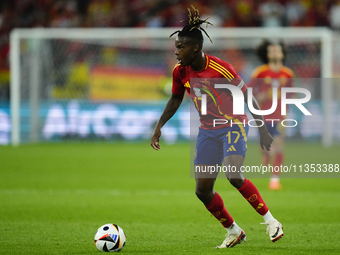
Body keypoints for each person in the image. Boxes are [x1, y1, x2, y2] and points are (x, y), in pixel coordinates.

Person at [150, 6, 283, 249]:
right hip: (207, 132)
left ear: (195, 48)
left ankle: (271, 220)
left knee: (233, 174)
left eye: (180, 47)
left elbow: (247, 96)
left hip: (233, 125)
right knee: (202, 191)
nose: (176, 51)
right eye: (176, 46)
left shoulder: (221, 68)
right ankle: (234, 230)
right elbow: (175, 98)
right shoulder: (180, 72)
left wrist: (262, 130)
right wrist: (159, 126)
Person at [248, 39, 294, 190]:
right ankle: (266, 154)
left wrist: (286, 109)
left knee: (279, 145)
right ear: (267, 54)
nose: (274, 52)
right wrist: (259, 96)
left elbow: (291, 94)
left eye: (277, 50)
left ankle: (275, 180)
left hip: (280, 116)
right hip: (263, 115)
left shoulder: (287, 74)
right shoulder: (260, 72)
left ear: (282, 54)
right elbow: (248, 90)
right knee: (265, 148)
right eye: (271, 50)